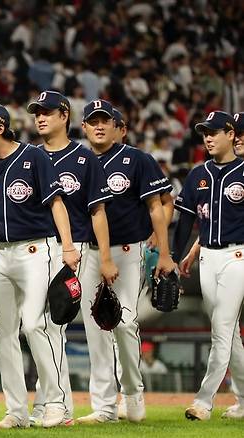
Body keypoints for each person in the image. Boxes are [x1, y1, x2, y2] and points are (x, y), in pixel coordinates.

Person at [0, 102, 81, 429]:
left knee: (33, 325)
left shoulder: (34, 157)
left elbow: (57, 203)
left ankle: (56, 403)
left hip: (35, 251)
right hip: (0, 255)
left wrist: (67, 247)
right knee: (3, 332)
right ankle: (17, 410)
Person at [76, 99, 175, 425]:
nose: (99, 125)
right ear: (85, 127)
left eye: (105, 120)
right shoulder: (79, 161)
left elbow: (157, 207)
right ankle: (104, 406)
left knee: (125, 322)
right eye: (94, 121)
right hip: (89, 253)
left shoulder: (136, 159)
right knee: (95, 329)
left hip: (128, 252)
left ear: (117, 126)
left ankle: (133, 393)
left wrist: (164, 252)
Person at [25, 91, 118, 427]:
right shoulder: (29, 156)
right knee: (43, 327)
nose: (40, 117)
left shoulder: (83, 158)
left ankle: (96, 405)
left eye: (47, 112)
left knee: (91, 327)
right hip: (37, 247)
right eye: (37, 112)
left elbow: (98, 211)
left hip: (78, 249)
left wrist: (105, 258)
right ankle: (51, 402)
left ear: (64, 115)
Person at [174, 111, 244, 421]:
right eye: (205, 132)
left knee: (222, 328)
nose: (209, 137)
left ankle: (203, 402)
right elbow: (187, 219)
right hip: (207, 258)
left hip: (238, 256)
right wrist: (175, 258)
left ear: (231, 134)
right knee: (231, 336)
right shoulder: (196, 174)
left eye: (215, 131)